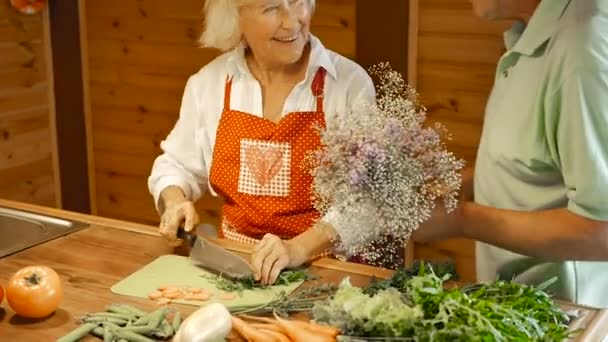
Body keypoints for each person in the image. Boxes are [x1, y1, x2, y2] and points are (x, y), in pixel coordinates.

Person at [148, 0, 375, 285]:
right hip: (238, 265)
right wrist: (175, 200)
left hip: (328, 270)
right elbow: (176, 165)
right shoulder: (209, 83)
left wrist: (297, 248)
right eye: (271, 8)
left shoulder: (349, 85)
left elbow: (365, 201)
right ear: (235, 18)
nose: (292, 22)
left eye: (297, 2)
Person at [413, 0, 608, 308]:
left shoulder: (583, 48)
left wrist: (461, 219)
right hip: (518, 305)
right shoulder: (527, 36)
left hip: (568, 317)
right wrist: (458, 183)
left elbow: (602, 231)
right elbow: (533, 157)